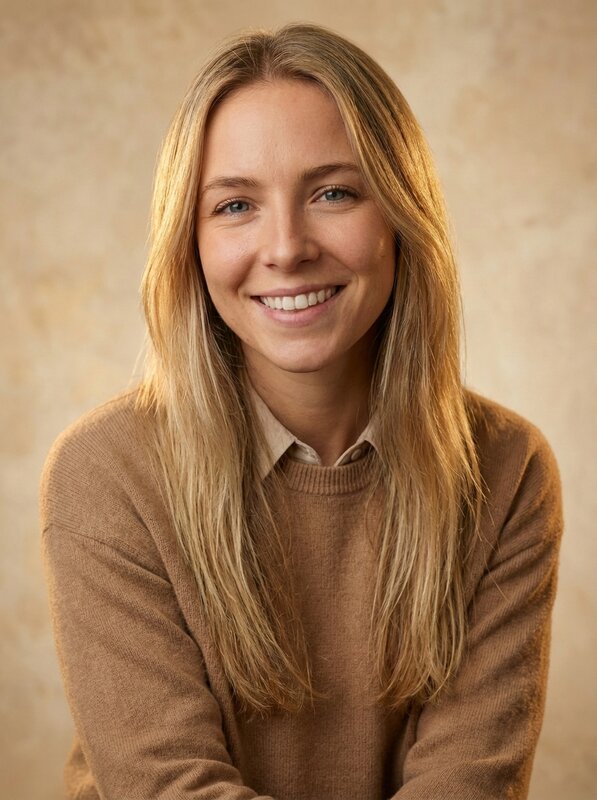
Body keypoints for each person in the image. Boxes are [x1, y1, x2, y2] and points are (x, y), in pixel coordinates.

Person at [39, 22, 563, 800]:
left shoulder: (506, 470)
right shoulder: (105, 473)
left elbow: (465, 785)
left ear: (400, 218)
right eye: (235, 205)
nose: (285, 248)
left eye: (332, 193)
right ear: (189, 243)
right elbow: (170, 787)